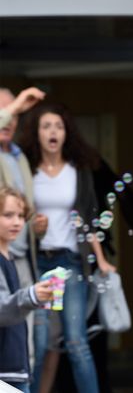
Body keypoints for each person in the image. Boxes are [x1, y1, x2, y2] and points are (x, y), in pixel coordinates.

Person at [19, 102, 116, 393]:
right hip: (37, 263)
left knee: (76, 341)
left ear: (66, 133)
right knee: (39, 342)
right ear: (36, 133)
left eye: (58, 126)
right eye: (46, 126)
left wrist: (101, 260)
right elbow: (17, 214)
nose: (53, 132)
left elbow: (88, 219)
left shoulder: (79, 171)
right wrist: (31, 227)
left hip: (70, 262)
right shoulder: (27, 171)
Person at [0, 87, 47, 377]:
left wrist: (34, 228)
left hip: (21, 257)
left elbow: (20, 210)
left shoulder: (19, 157)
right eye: (5, 110)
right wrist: (15, 106)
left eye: (15, 113)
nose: (10, 117)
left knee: (29, 342)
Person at [0, 187, 53, 393]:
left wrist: (38, 296)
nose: (17, 222)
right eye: (8, 215)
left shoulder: (11, 258)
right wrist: (31, 296)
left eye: (21, 216)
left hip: (15, 368)